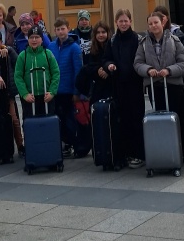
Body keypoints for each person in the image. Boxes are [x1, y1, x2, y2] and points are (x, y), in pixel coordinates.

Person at [103, 9, 145, 168]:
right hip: (118, 86)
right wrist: (109, 65)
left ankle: (138, 154)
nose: (123, 23)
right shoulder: (112, 40)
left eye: (126, 20)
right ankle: (125, 154)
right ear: (116, 23)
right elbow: (106, 59)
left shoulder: (138, 39)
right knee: (122, 120)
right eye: (120, 21)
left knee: (136, 119)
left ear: (130, 21)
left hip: (134, 86)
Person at [134, 11, 184, 116]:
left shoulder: (174, 40)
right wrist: (148, 70)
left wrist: (169, 70)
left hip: (173, 85)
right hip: (153, 85)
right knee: (158, 115)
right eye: (150, 24)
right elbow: (138, 63)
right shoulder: (143, 43)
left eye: (156, 22)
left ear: (162, 23)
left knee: (173, 115)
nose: (153, 26)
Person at [49, 17, 83, 158]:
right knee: (58, 118)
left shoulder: (74, 47)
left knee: (70, 119)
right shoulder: (51, 46)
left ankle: (71, 143)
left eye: (63, 28)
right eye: (58, 29)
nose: (61, 32)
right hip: (54, 90)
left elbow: (78, 70)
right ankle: (63, 143)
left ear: (68, 29)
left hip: (68, 90)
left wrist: (77, 91)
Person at [14, 25, 59, 120]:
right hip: (30, 98)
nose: (34, 40)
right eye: (31, 37)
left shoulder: (48, 54)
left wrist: (52, 92)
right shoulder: (23, 56)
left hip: (46, 96)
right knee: (29, 124)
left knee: (48, 123)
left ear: (42, 39)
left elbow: (56, 73)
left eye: (37, 37)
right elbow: (18, 76)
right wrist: (24, 94)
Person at [75, 21, 113, 104]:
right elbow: (89, 67)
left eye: (103, 32)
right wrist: (97, 70)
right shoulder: (93, 49)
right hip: (97, 88)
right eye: (98, 32)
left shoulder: (113, 46)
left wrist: (107, 71)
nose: (101, 35)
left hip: (112, 87)